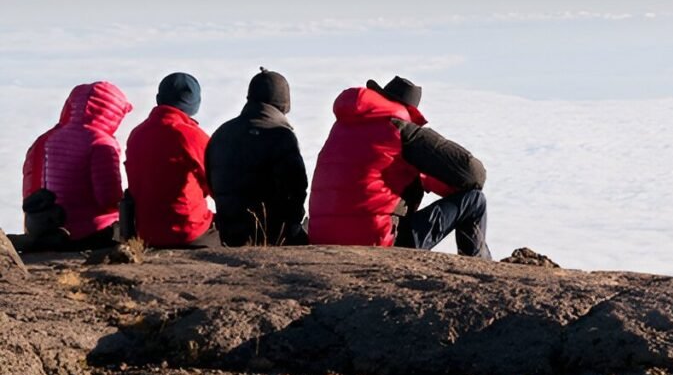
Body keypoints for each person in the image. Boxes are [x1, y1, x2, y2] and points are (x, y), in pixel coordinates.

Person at [309, 76, 491, 259]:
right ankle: (482, 266)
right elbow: (473, 175)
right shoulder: (399, 130)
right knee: (474, 200)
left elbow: (374, 174)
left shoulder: (341, 127)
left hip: (321, 238)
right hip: (376, 241)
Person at [19, 82, 133, 251]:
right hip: (93, 231)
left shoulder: (53, 139)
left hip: (59, 227)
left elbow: (45, 190)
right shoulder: (101, 143)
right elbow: (107, 199)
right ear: (112, 112)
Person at [206, 68, 308, 246]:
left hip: (229, 234)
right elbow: (296, 188)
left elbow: (212, 183)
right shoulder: (281, 135)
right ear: (284, 100)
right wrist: (292, 226)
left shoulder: (221, 133)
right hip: (273, 233)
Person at [124, 72, 216, 248]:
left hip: (145, 234)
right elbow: (215, 184)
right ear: (195, 104)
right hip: (187, 231)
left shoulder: (137, 134)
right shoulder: (191, 135)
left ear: (159, 98)